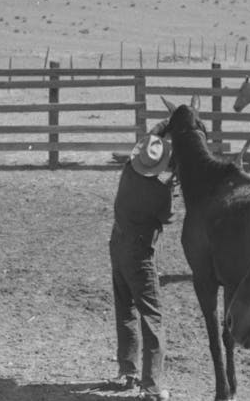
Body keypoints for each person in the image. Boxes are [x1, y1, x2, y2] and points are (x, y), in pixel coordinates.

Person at [108, 125, 174, 401]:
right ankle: (151, 386)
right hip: (140, 254)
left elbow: (146, 140)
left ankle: (128, 371)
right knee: (152, 316)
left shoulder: (126, 170)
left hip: (118, 244)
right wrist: (171, 185)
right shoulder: (160, 191)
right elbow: (166, 217)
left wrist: (160, 128)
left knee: (125, 308)